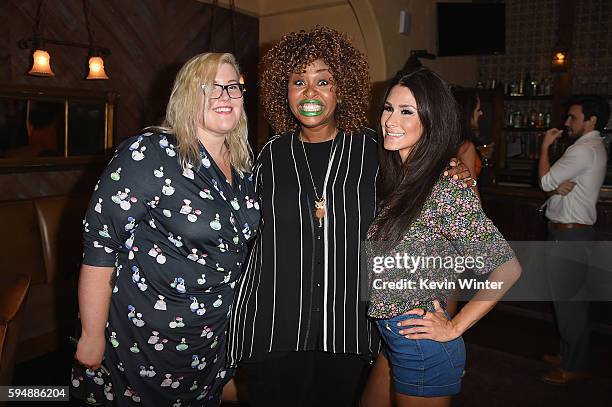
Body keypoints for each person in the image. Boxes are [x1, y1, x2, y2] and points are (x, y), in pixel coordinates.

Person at [228, 27, 471, 407]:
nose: (310, 93)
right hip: (272, 325)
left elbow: (427, 186)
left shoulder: (379, 149)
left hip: (349, 329)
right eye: (298, 82)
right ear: (284, 91)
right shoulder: (267, 156)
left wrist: (452, 168)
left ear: (341, 90)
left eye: (322, 81)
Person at [72, 52, 260, 406]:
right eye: (210, 87)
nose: (224, 95)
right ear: (186, 96)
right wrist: (91, 334)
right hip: (143, 340)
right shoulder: (150, 153)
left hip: (213, 339)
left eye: (232, 87)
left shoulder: (246, 166)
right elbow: (101, 245)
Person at [360, 67, 521, 407]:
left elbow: (508, 269)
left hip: (421, 344)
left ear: (431, 121)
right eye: (388, 108)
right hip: (393, 337)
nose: (391, 120)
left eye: (407, 112)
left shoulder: (444, 185)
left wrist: (454, 327)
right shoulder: (402, 178)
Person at [538, 95, 610, 386]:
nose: (566, 123)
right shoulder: (590, 147)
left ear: (591, 121)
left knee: (570, 303)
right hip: (571, 232)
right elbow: (555, 187)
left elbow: (544, 182)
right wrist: (556, 189)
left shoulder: (583, 149)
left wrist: (544, 147)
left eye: (573, 117)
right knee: (567, 300)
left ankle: (574, 365)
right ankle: (568, 354)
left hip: (570, 234)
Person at [452, 88, 483, 184]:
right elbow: (471, 187)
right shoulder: (466, 146)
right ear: (467, 113)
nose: (481, 113)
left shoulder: (447, 141)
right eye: (478, 110)